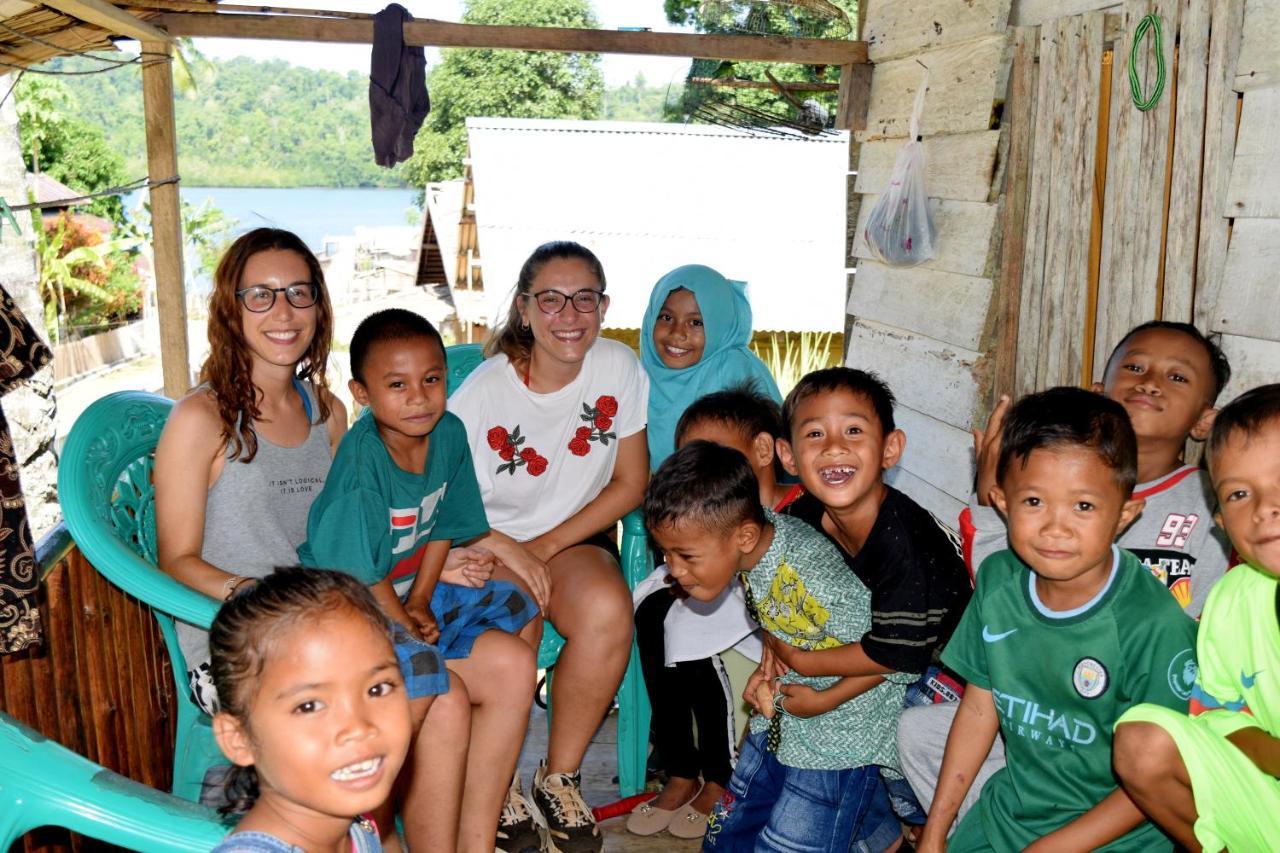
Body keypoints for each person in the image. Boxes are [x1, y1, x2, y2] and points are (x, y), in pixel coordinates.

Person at [153, 229, 469, 850]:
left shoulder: (329, 413)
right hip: (238, 637)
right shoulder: (202, 418)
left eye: (299, 293)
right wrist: (261, 597)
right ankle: (347, 828)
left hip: (329, 623)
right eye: (262, 295)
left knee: (457, 686)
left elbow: (345, 532)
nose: (284, 311)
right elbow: (176, 559)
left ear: (320, 308)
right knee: (435, 683)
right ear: (230, 307)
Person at [900, 321, 1234, 825]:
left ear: (1204, 422)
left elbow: (1205, 633)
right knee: (918, 732)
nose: (1149, 382)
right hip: (1043, 700)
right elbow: (1000, 584)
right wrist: (994, 489)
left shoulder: (1210, 503)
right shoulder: (1030, 482)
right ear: (1098, 393)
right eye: (1136, 367)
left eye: (1177, 377)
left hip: (1136, 713)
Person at [298, 309, 540, 853]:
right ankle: (369, 822)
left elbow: (444, 529)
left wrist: (424, 598)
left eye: (431, 380)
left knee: (515, 655)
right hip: (346, 609)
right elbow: (362, 572)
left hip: (403, 591)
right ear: (362, 392)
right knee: (437, 685)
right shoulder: (363, 464)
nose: (419, 398)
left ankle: (476, 841)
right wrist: (406, 616)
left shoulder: (448, 433)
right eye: (397, 385)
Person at [448, 241, 649, 853]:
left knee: (608, 611)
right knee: (517, 619)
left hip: (571, 536)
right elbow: (444, 500)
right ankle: (498, 783)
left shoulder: (619, 367)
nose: (569, 314)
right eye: (551, 300)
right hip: (487, 537)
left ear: (604, 305)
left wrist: (547, 545)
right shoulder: (483, 395)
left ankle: (557, 778)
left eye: (584, 298)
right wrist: (514, 551)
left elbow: (630, 482)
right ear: (525, 308)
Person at [646, 440, 906, 852]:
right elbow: (785, 621)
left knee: (787, 844)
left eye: (686, 556)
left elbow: (895, 659)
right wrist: (764, 671)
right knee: (728, 834)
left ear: (744, 536)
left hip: (839, 740)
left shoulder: (816, 578)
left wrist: (826, 699)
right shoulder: (754, 545)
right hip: (782, 718)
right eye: (665, 553)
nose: (673, 569)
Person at [766, 367, 972, 833]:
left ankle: (926, 826)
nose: (834, 446)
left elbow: (898, 656)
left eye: (854, 431)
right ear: (788, 455)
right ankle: (878, 837)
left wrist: (803, 665)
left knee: (884, 740)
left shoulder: (901, 537)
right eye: (815, 433)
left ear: (890, 448)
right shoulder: (800, 515)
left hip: (948, 672)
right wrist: (771, 645)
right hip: (881, 645)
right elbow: (767, 578)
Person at [1113, 383, 1280, 853]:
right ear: (1221, 522)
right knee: (1142, 738)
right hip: (1269, 803)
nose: (1266, 507)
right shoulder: (1232, 601)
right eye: (1240, 493)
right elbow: (1219, 714)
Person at [628, 387, 793, 839]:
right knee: (657, 610)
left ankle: (722, 776)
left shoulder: (795, 510)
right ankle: (680, 767)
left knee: (695, 627)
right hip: (727, 601)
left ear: (762, 450)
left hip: (773, 627)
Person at [208, 567, 411, 853]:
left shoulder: (355, 828)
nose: (359, 727)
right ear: (238, 738)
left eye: (377, 689)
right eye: (309, 706)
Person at [639, 264, 781, 469]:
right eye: (666, 317)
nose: (677, 333)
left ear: (720, 326)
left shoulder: (735, 369)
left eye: (696, 322)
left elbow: (772, 460)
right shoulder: (639, 378)